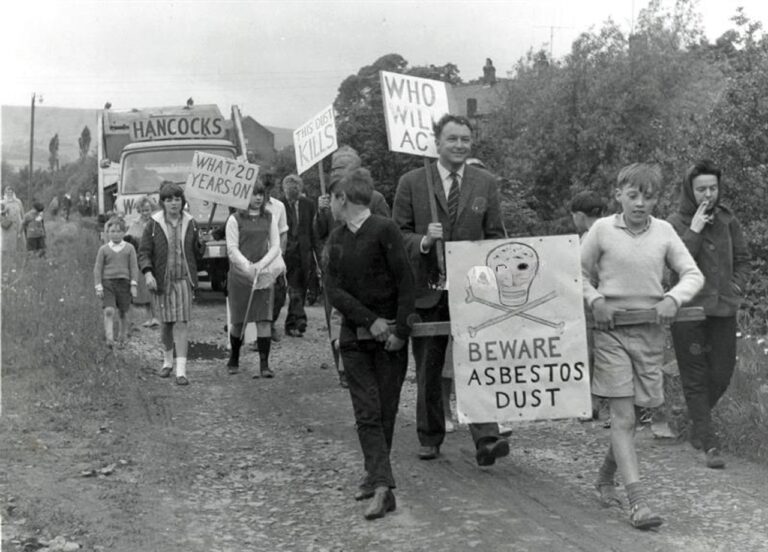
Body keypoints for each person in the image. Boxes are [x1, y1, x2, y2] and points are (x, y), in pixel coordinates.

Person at [581, 163, 704, 530]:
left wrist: (673, 299)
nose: (640, 203)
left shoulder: (665, 232)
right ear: (618, 194)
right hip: (611, 333)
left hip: (650, 333)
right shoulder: (601, 230)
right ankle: (638, 504)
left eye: (648, 197)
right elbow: (576, 274)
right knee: (624, 418)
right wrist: (595, 300)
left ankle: (604, 478)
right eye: (632, 195)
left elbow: (692, 274)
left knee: (635, 415)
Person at [392, 114, 510, 466]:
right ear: (437, 142)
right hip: (427, 288)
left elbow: (495, 235)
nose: (459, 145)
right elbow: (398, 234)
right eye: (452, 139)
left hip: (472, 288)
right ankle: (429, 435)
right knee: (429, 362)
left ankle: (486, 435)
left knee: (478, 358)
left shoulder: (484, 182)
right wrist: (424, 241)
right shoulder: (412, 183)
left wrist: (489, 269)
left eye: (465, 139)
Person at [323, 168, 415, 520]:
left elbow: (407, 282)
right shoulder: (336, 238)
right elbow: (334, 291)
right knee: (366, 411)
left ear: (342, 199)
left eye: (332, 198)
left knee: (385, 411)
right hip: (355, 339)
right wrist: (369, 320)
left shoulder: (384, 229)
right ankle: (382, 487)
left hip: (390, 341)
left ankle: (375, 474)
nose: (330, 205)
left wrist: (399, 333)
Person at [667, 159, 751, 469]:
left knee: (722, 372)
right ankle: (707, 441)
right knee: (695, 376)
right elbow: (675, 266)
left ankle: (692, 420)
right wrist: (695, 230)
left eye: (713, 188)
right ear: (690, 189)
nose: (708, 195)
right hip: (688, 310)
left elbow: (743, 260)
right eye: (701, 188)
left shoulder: (728, 219)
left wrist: (737, 287)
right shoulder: (674, 223)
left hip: (723, 309)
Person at [315, 145, 391, 388]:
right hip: (336, 270)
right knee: (335, 318)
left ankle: (363, 367)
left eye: (341, 167)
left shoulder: (375, 198)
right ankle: (342, 367)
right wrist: (320, 212)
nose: (335, 171)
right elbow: (318, 233)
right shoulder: (329, 199)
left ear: (356, 169)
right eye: (333, 167)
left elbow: (388, 232)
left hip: (366, 273)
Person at [139, 181, 205, 386]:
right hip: (163, 280)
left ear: (182, 201)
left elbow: (196, 255)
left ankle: (181, 371)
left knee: (182, 322)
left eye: (177, 199)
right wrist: (148, 274)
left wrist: (202, 244)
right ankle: (167, 361)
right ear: (163, 203)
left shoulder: (191, 223)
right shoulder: (153, 224)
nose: (174, 203)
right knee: (166, 324)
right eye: (169, 200)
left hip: (184, 279)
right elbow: (144, 252)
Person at [226, 182, 283, 378]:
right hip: (240, 276)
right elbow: (232, 249)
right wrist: (248, 266)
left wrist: (262, 264)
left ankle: (264, 364)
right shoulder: (234, 219)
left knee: (263, 319)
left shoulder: (270, 217)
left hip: (263, 273)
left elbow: (275, 245)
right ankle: (234, 357)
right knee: (239, 320)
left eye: (261, 194)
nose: (258, 198)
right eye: (254, 194)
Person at [570, 190, 609, 423]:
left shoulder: (588, 237)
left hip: (593, 301)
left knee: (592, 354)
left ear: (579, 215)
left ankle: (592, 403)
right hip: (615, 299)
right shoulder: (614, 231)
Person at [282, 174, 319, 337]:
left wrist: (318, 255)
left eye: (296, 186)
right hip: (287, 253)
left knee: (301, 287)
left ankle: (291, 324)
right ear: (284, 189)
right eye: (290, 187)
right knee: (293, 286)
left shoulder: (309, 205)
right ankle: (300, 318)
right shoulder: (279, 205)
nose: (294, 189)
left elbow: (313, 231)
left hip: (304, 253)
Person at [94, 217, 139, 348]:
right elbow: (97, 268)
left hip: (124, 284)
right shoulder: (104, 249)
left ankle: (122, 337)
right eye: (112, 231)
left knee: (123, 312)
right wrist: (98, 286)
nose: (115, 234)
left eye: (119, 231)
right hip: (108, 283)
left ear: (124, 232)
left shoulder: (129, 248)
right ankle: (109, 339)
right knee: (109, 310)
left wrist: (134, 284)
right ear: (107, 233)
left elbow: (133, 267)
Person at [127, 196, 160, 328]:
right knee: (145, 290)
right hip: (142, 259)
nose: (145, 213)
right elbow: (129, 239)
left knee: (156, 288)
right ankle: (149, 317)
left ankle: (157, 317)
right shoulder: (135, 224)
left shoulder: (156, 223)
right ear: (139, 210)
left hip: (155, 258)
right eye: (143, 210)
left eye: (148, 210)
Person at [1, 187, 24, 254]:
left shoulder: (18, 201)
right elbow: (1, 216)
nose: (10, 193)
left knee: (19, 245)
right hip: (8, 226)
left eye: (11, 192)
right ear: (5, 193)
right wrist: (4, 212)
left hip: (18, 225)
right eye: (8, 192)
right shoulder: (3, 202)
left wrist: (24, 222)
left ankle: (19, 257)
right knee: (8, 246)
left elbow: (22, 212)